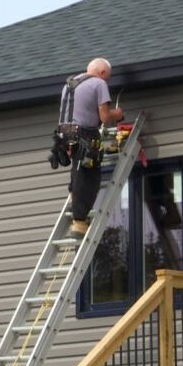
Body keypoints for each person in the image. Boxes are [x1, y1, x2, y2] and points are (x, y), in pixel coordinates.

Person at [57, 58, 123, 239]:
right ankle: (79, 222)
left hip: (65, 134)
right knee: (89, 176)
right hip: (86, 135)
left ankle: (74, 197)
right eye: (107, 77)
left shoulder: (70, 84)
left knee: (77, 170)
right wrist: (117, 114)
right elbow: (104, 117)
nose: (106, 81)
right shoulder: (99, 84)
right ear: (102, 73)